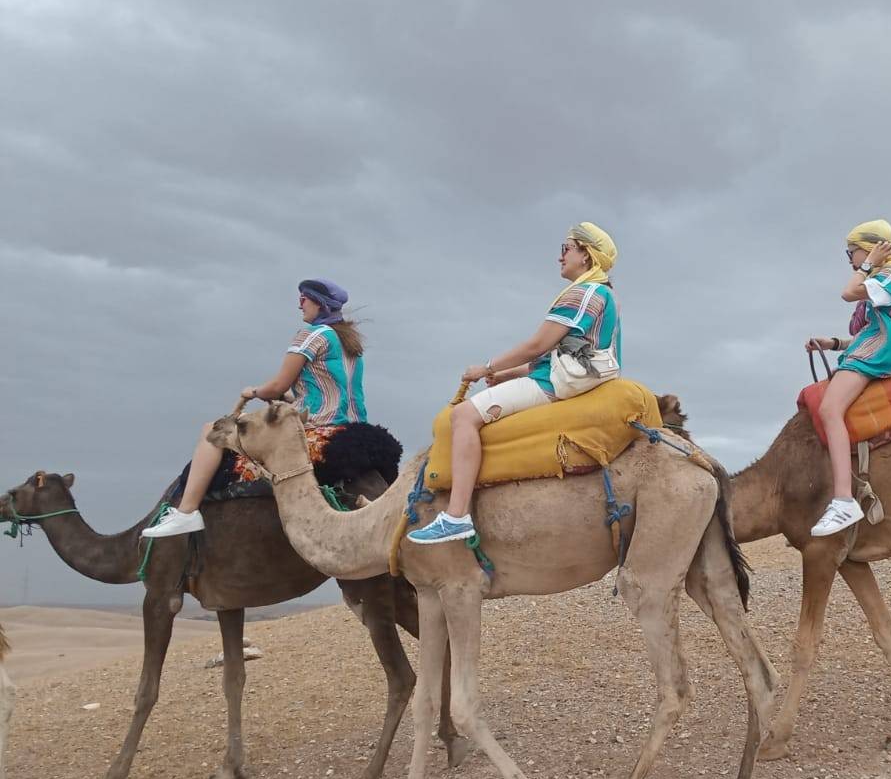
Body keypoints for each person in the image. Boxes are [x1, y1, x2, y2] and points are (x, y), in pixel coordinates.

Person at [408, 222, 620, 545]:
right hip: (560, 380)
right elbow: (561, 358)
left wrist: (485, 367)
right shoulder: (603, 294)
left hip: (555, 388)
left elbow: (537, 346)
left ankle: (456, 515)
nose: (560, 256)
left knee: (463, 416)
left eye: (566, 248)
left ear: (586, 257)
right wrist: (508, 375)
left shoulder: (584, 293)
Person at [142, 279, 367, 538]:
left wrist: (254, 392)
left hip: (317, 428)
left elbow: (276, 386)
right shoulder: (349, 343)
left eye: (304, 298)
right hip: (351, 428)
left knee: (211, 431)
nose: (300, 304)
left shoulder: (312, 336)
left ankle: (186, 512)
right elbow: (326, 392)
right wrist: (288, 397)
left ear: (320, 303)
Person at [805, 219, 891, 537]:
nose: (851, 260)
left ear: (869, 249)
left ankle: (843, 500)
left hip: (882, 351)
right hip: (880, 345)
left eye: (852, 253)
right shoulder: (890, 278)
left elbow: (848, 293)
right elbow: (873, 329)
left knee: (830, 410)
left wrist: (868, 265)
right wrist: (833, 344)